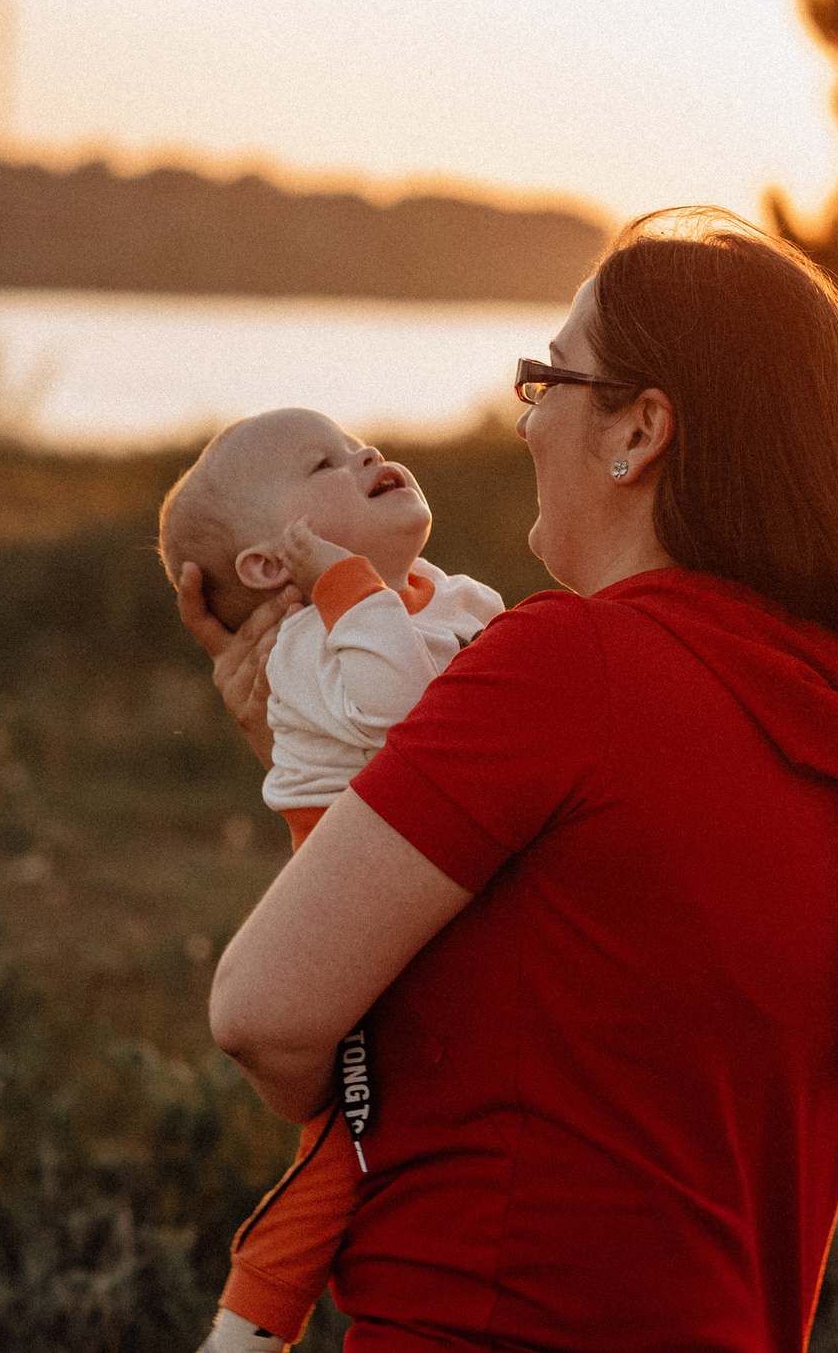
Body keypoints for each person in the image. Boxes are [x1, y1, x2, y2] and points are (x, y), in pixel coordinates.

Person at [174, 209, 838, 1350]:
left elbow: (263, 1012)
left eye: (546, 375)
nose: (525, 418)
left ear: (639, 429)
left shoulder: (569, 668)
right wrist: (311, 738)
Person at [159, 407, 505, 1350]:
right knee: (344, 1142)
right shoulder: (311, 643)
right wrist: (350, 585)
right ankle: (248, 1326)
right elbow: (404, 710)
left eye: (358, 444)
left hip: (420, 870)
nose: (367, 456)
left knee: (379, 1128)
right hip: (346, 869)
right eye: (325, 462)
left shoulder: (452, 596)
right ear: (277, 567)